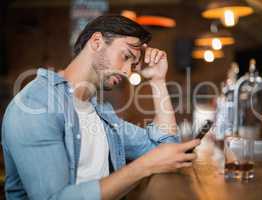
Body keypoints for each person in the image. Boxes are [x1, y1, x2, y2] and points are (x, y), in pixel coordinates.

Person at [1, 15, 200, 200]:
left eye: (133, 64)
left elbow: (166, 148)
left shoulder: (101, 114)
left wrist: (157, 80)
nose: (127, 71)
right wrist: (143, 167)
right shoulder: (36, 104)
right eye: (126, 56)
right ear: (96, 42)